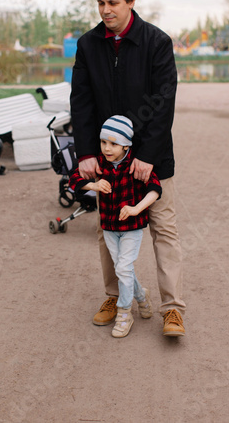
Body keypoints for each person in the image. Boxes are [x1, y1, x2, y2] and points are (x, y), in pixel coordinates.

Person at [70, 0, 186, 336]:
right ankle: (113, 295)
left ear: (130, 2)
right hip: (107, 161)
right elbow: (82, 102)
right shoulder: (88, 45)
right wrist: (87, 152)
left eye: (113, 3)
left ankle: (172, 309)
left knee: (163, 230)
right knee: (109, 229)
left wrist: (147, 153)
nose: (106, 10)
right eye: (101, 4)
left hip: (153, 160)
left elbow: (164, 102)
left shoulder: (156, 42)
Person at [69, 115, 162, 338]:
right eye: (103, 142)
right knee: (124, 268)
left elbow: (155, 189)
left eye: (113, 143)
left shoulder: (136, 165)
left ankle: (124, 313)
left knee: (122, 268)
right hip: (109, 227)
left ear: (126, 145)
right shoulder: (100, 163)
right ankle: (141, 296)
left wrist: (136, 208)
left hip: (132, 227)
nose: (107, 148)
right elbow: (73, 179)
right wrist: (93, 184)